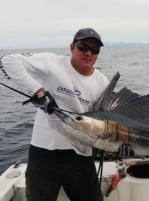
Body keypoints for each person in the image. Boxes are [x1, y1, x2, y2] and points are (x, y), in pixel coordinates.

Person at [1, 28, 109, 201]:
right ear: (72, 47)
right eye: (83, 47)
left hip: (80, 154)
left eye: (95, 50)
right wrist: (38, 91)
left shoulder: (102, 82)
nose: (89, 53)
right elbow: (8, 60)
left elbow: (103, 118)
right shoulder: (52, 62)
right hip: (43, 152)